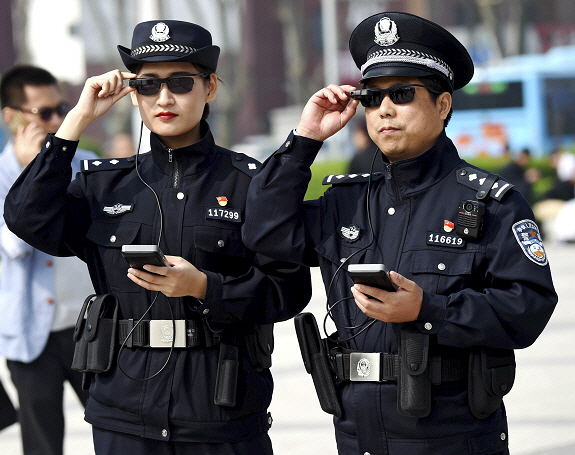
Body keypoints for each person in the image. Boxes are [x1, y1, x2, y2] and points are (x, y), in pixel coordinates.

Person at [242, 12, 557, 455]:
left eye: (403, 94)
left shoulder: (490, 202)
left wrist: (428, 309)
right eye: (371, 97)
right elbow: (264, 232)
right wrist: (305, 139)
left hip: (453, 435)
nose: (384, 109)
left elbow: (529, 307)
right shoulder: (345, 202)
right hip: (358, 435)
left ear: (443, 105)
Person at [4, 20, 311, 455]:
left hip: (220, 414)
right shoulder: (104, 186)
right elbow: (25, 217)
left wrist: (206, 287)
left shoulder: (250, 184)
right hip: (124, 416)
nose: (164, 98)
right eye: (148, 84)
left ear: (210, 88)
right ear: (134, 93)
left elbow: (288, 290)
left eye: (181, 83)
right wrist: (75, 120)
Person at [0, 65, 94, 455]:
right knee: (41, 444)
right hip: (27, 334)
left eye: (62, 109)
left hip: (93, 329)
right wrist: (28, 171)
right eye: (45, 113)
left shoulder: (87, 165)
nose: (57, 120)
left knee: (122, 432)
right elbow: (15, 245)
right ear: (12, 116)